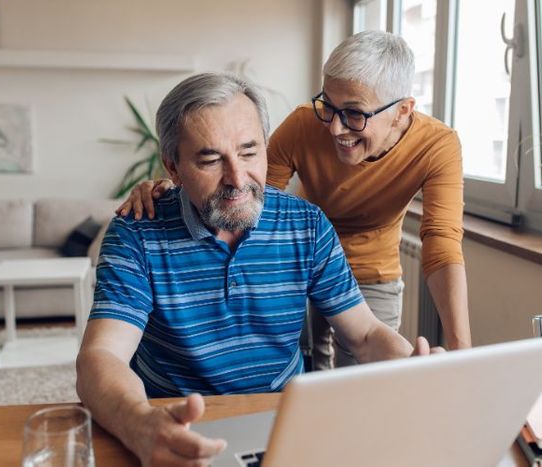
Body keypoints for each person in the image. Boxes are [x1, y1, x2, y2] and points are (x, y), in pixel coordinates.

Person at [77, 72, 439, 466]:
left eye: (249, 152)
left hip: (281, 423)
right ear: (173, 168)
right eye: (211, 159)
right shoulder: (136, 232)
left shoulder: (307, 225)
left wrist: (411, 367)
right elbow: (102, 356)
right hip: (176, 425)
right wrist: (140, 425)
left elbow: (366, 334)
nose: (237, 179)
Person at [119, 31, 471, 370]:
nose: (334, 127)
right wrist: (178, 188)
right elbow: (248, 194)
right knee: (311, 361)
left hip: (369, 265)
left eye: (353, 113)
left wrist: (461, 352)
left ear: (403, 110)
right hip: (298, 258)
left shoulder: (437, 145)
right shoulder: (305, 125)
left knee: (365, 379)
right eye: (328, 106)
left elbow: (441, 241)